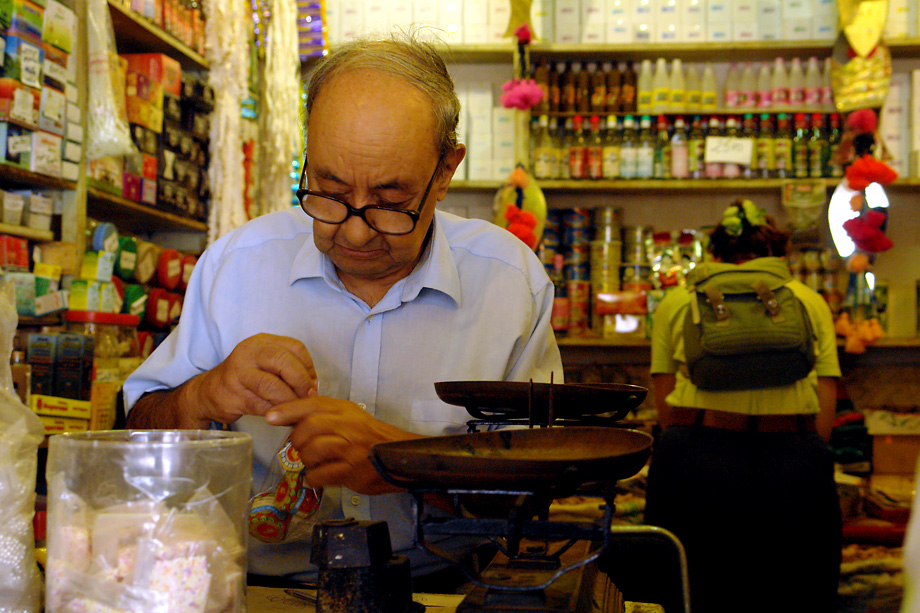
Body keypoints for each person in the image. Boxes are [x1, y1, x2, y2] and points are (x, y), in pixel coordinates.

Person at [122, 33, 563, 584]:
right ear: (307, 157)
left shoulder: (508, 284)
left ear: (446, 170)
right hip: (254, 589)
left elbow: (543, 489)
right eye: (328, 191)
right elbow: (133, 442)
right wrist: (201, 395)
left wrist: (405, 461)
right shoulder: (236, 266)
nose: (354, 229)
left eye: (390, 202)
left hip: (444, 591)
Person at [644, 200, 842, 613]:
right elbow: (827, 388)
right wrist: (807, 447)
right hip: (790, 457)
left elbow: (662, 390)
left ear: (714, 253)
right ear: (776, 254)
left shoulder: (678, 302)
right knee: (796, 586)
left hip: (697, 456)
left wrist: (685, 439)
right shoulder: (808, 301)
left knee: (693, 586)